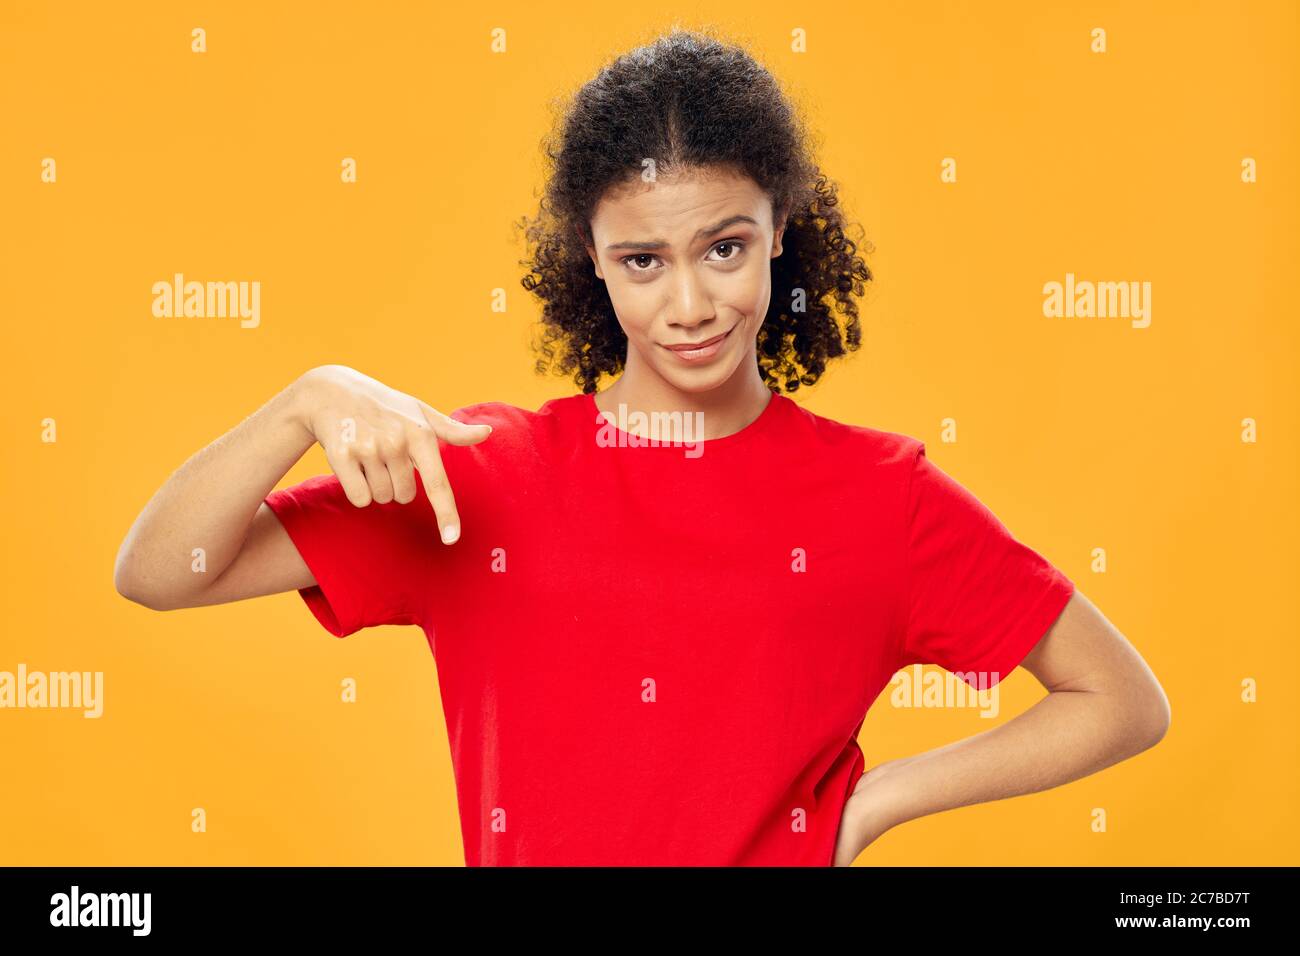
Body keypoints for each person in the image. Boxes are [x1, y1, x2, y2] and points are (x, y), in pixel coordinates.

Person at [114, 28, 1169, 867]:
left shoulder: (875, 498)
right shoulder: (479, 475)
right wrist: (308, 399)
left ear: (779, 228)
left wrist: (877, 800)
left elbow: (1120, 700)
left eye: (724, 246)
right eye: (643, 259)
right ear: (592, 258)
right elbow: (161, 571)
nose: (692, 301)